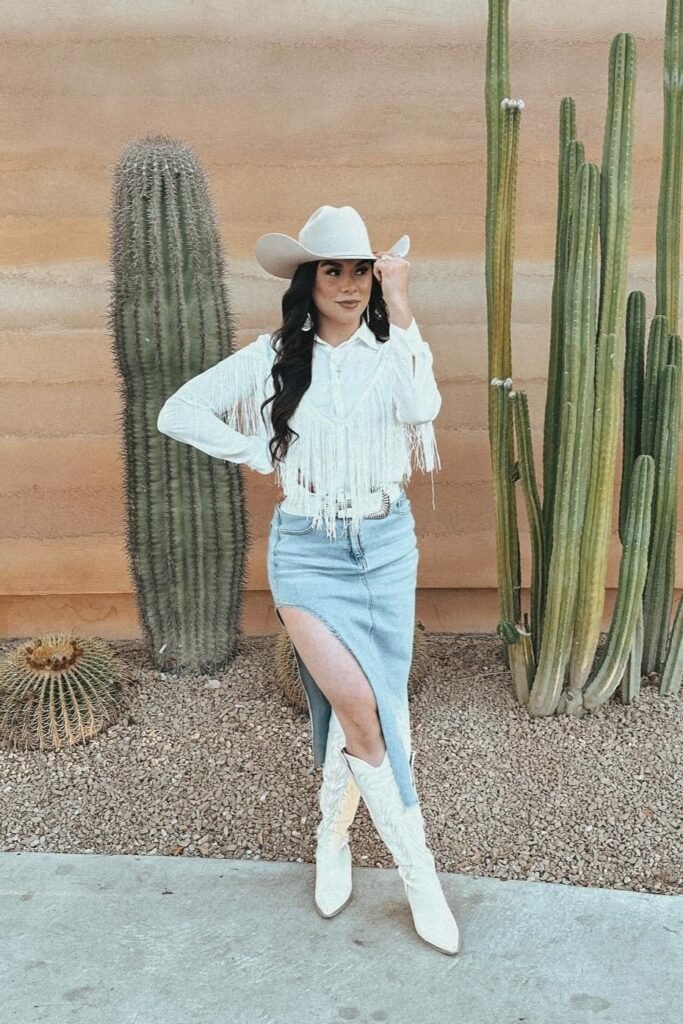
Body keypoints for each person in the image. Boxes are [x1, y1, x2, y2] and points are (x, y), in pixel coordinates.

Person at [156, 204, 461, 955]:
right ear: (307, 279)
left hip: (387, 547)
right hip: (308, 549)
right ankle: (418, 871)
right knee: (361, 710)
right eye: (334, 270)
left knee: (371, 711)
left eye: (362, 270)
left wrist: (405, 306)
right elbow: (177, 411)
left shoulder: (392, 351)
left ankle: (332, 833)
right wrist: (258, 456)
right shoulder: (271, 357)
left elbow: (422, 408)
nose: (350, 284)